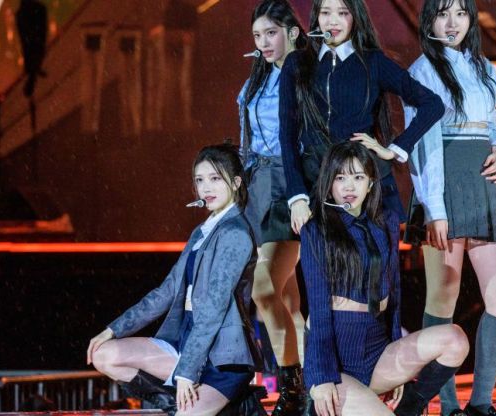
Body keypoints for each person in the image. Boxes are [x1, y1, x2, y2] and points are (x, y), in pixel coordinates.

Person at [86, 144, 262, 416]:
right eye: (200, 180)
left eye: (215, 178)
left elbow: (213, 311)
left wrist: (187, 372)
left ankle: (231, 402)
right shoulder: (201, 232)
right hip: (185, 343)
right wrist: (113, 330)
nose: (206, 188)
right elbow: (166, 292)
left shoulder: (235, 233)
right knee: (104, 354)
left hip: (221, 357)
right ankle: (181, 406)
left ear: (236, 183)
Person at [405, 1, 496, 415]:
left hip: (483, 183)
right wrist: (434, 208)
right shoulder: (421, 71)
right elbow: (420, 145)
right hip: (442, 185)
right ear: (429, 21)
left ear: (471, 18)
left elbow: (491, 125)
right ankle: (447, 404)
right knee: (443, 298)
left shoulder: (486, 68)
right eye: (442, 13)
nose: (452, 22)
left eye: (460, 13)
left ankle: (481, 403)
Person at [301, 142, 469, 416]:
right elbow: (318, 310)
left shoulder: (386, 222)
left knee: (455, 339)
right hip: (336, 364)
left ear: (370, 183)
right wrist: (321, 377)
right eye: (340, 178)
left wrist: (398, 367)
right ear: (329, 183)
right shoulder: (316, 230)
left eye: (358, 177)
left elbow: (394, 295)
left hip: (378, 353)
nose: (349, 186)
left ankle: (410, 407)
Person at [279, 0, 445, 235]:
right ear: (316, 17)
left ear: (355, 17)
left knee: (374, 256)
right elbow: (287, 134)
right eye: (325, 12)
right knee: (320, 258)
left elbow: (433, 104)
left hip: (366, 183)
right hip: (316, 183)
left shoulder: (373, 62)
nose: (333, 21)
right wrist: (297, 196)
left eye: (343, 13)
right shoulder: (296, 63)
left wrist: (395, 149)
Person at [237, 1, 308, 413]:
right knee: (287, 300)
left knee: (264, 291)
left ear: (292, 32)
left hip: (290, 185)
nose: (263, 42)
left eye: (271, 33)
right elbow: (246, 139)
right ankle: (309, 386)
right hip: (256, 187)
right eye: (257, 35)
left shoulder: (306, 75)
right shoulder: (259, 77)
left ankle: (293, 388)